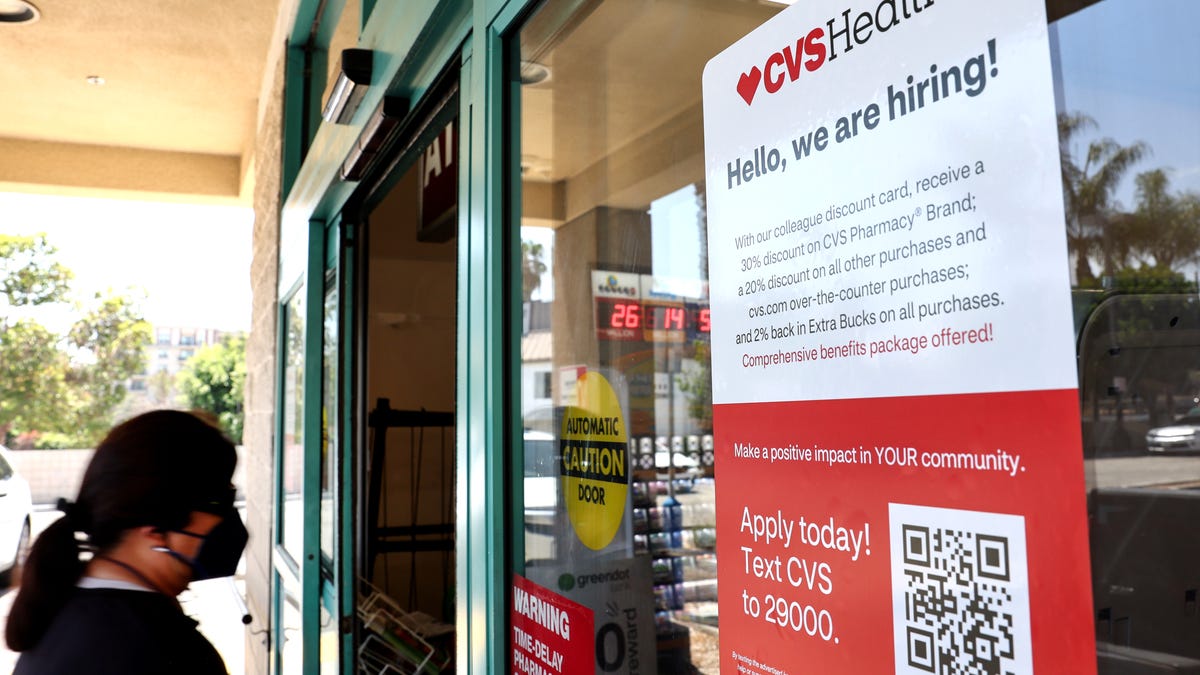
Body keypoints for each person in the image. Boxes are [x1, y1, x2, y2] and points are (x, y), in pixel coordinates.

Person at [5, 410, 248, 675]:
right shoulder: (173, 653)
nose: (227, 518)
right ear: (157, 526)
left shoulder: (53, 612)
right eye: (219, 502)